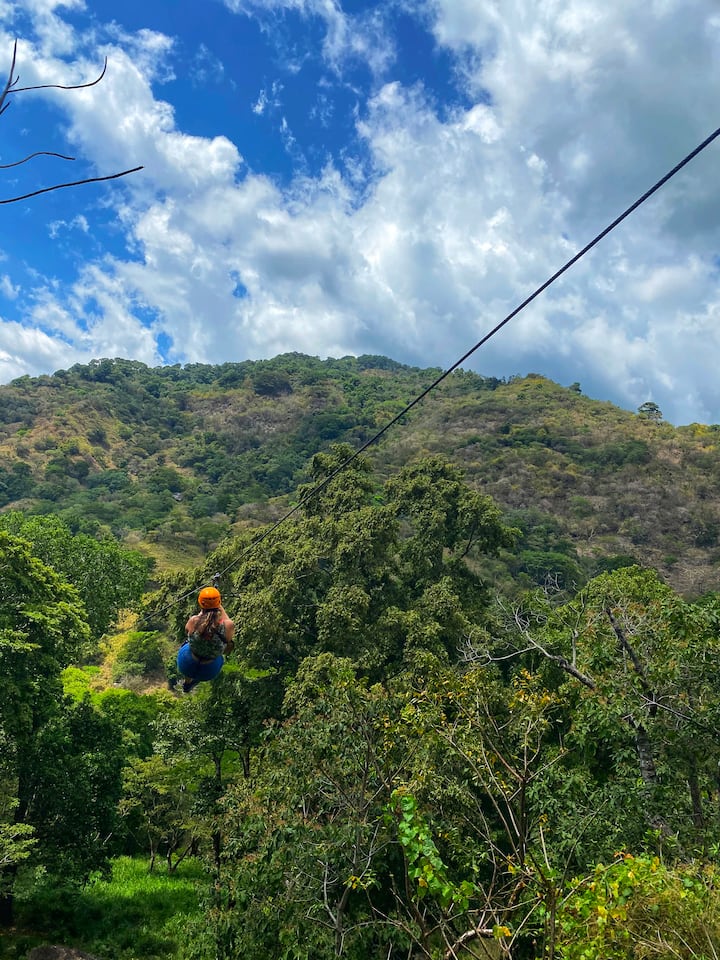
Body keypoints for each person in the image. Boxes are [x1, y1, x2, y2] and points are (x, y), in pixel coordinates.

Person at [177, 586, 235, 693]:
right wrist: (218, 605)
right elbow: (226, 620)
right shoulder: (228, 625)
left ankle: (187, 682)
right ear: (219, 603)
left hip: (186, 663)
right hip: (210, 670)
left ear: (200, 603)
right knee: (220, 655)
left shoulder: (194, 621)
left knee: (186, 644)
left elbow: (188, 631)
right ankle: (195, 679)